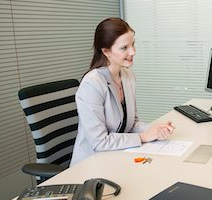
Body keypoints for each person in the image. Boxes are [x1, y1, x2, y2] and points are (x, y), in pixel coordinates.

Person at [70, 18, 175, 166]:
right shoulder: (92, 85)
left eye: (133, 44)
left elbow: (131, 124)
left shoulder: (127, 76)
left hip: (117, 157)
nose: (133, 51)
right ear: (106, 52)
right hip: (92, 164)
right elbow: (100, 142)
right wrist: (144, 136)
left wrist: (155, 130)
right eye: (124, 48)